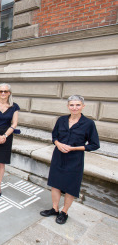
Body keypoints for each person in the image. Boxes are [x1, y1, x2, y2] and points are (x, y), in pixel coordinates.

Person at [40, 95, 99, 224]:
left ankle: (64, 212)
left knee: (71, 186)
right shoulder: (61, 120)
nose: (74, 107)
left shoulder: (89, 124)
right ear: (68, 106)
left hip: (75, 159)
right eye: (72, 105)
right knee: (55, 183)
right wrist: (58, 143)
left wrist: (74, 148)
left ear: (83, 106)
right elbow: (54, 136)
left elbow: (94, 145)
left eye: (78, 105)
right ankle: (55, 208)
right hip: (58, 156)